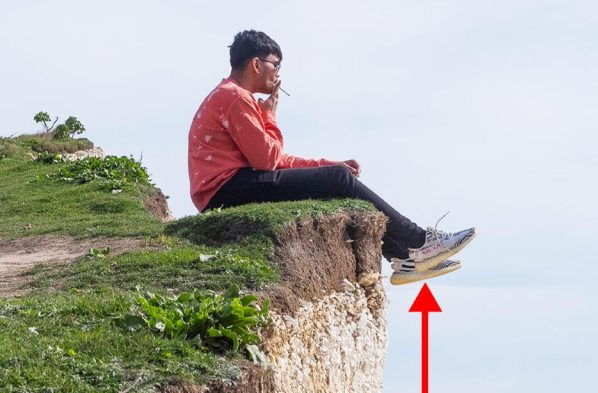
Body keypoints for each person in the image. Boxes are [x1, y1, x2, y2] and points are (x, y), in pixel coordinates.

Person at [187, 30, 475, 285]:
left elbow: (276, 161)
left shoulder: (231, 96)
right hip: (225, 189)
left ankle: (403, 258)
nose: (278, 73)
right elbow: (267, 160)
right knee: (336, 180)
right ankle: (420, 241)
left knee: (337, 178)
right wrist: (271, 115)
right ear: (256, 64)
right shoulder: (236, 97)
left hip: (228, 187)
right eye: (276, 65)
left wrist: (328, 166)